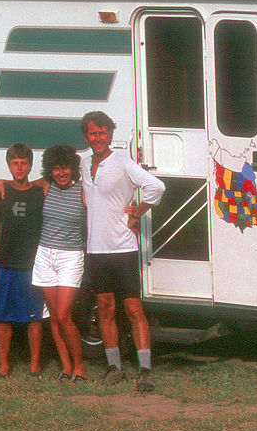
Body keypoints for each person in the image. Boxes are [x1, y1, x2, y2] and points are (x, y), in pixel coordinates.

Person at [79, 110, 164, 392]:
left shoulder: (123, 162)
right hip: (96, 249)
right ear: (86, 136)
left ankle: (145, 369)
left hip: (123, 247)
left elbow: (156, 186)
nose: (98, 138)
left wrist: (138, 212)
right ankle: (114, 366)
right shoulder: (81, 162)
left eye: (103, 133)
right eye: (93, 133)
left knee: (133, 309)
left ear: (111, 135)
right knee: (105, 309)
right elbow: (52, 177)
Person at [0, 143, 47, 378]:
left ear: (30, 165)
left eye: (23, 163)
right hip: (6, 263)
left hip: (33, 264)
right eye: (15, 163)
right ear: (9, 165)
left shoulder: (40, 191)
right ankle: (4, 366)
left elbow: (49, 179)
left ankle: (35, 365)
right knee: (3, 316)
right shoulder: (1, 193)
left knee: (34, 317)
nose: (19, 167)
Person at [33, 143, 88, 383]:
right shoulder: (46, 186)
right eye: (56, 169)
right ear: (50, 171)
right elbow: (21, 183)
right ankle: (66, 368)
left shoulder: (83, 190)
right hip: (44, 255)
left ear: (73, 168)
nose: (61, 173)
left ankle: (80, 366)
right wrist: (1, 183)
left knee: (64, 314)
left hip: (71, 256)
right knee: (54, 316)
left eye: (65, 168)